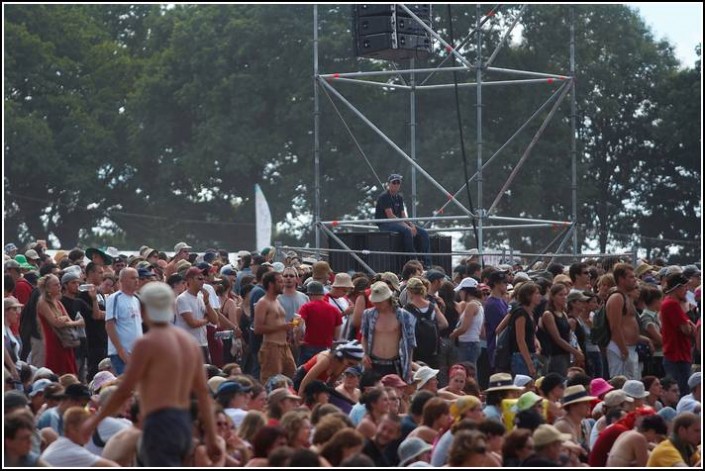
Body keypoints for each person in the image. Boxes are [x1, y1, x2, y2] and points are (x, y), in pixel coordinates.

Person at [81, 281, 221, 466]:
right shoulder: (189, 343)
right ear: (171, 307)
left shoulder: (146, 343)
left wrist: (94, 421)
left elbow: (124, 390)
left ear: (144, 309)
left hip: (158, 422)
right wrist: (211, 435)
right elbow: (202, 393)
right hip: (185, 422)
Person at [375, 173, 431, 267]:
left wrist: (411, 225)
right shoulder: (384, 196)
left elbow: (402, 214)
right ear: (389, 184)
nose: (396, 185)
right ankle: (414, 261)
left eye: (398, 182)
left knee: (424, 233)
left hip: (397, 222)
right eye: (394, 182)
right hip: (385, 224)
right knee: (407, 231)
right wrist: (407, 227)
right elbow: (390, 216)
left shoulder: (399, 197)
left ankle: (427, 262)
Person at [254, 271, 296, 384]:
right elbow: (257, 328)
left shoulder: (276, 301)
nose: (283, 284)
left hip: (285, 346)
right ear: (271, 284)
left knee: (292, 376)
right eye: (280, 281)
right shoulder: (263, 302)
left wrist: (289, 327)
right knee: (271, 381)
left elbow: (278, 323)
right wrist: (282, 327)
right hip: (271, 347)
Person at [104, 268, 142, 375]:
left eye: (137, 278)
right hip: (121, 354)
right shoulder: (115, 298)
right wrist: (121, 351)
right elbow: (109, 325)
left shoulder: (136, 299)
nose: (136, 281)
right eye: (133, 278)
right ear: (122, 280)